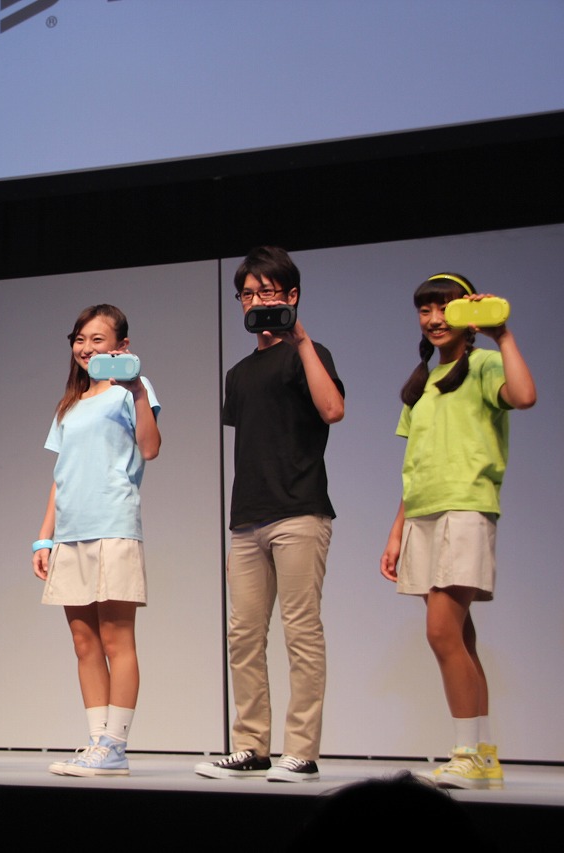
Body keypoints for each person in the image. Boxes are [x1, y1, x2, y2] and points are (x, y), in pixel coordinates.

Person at [379, 273, 536, 790]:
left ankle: (467, 754)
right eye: (425, 309)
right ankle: (483, 756)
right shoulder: (421, 385)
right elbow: (415, 465)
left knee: (442, 632)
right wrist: (397, 532)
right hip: (423, 515)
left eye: (444, 307)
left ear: (467, 314)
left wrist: (502, 334)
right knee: (461, 636)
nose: (434, 318)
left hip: (465, 509)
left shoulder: (486, 364)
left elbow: (525, 396)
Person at [195, 246, 344, 783]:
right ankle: (251, 746)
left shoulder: (310, 353)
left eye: (267, 292)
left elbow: (333, 410)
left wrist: (301, 341)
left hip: (300, 511)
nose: (256, 301)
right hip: (248, 519)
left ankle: (301, 751)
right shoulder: (238, 374)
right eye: (248, 294)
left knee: (301, 632)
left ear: (292, 295)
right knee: (243, 636)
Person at [32, 305, 161, 777]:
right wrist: (43, 539)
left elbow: (151, 448)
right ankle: (96, 743)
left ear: (122, 347)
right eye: (80, 339)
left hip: (112, 525)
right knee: (84, 642)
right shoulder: (69, 404)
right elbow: (60, 475)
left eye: (98, 339)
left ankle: (116, 745)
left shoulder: (132, 391)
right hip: (70, 533)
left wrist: (138, 392)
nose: (86, 348)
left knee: (115, 638)